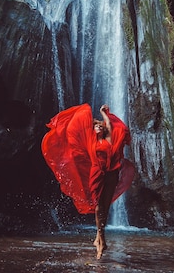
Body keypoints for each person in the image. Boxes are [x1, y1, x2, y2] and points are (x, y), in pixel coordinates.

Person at [41, 103, 135, 259]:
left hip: (112, 174)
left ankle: (100, 237)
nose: (97, 128)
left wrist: (103, 113)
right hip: (96, 174)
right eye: (95, 127)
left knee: (105, 205)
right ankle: (101, 237)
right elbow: (74, 133)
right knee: (99, 206)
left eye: (99, 126)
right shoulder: (90, 141)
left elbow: (110, 126)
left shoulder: (109, 138)